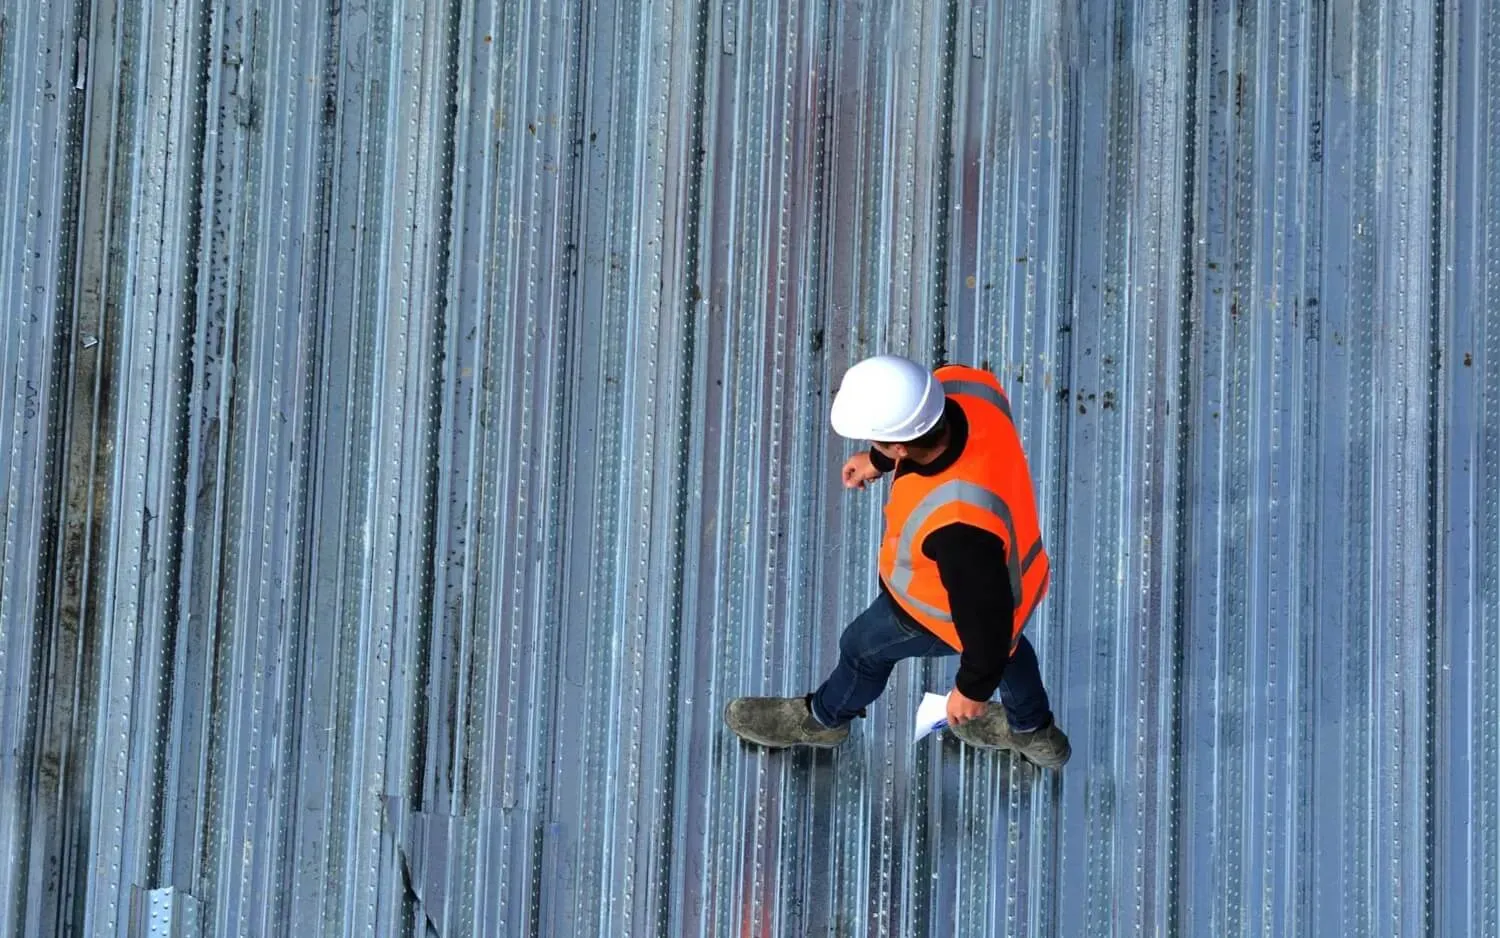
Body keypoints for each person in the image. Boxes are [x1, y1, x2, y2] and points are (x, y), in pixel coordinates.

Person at [723, 354, 1070, 767]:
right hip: (1020, 572)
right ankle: (1035, 733)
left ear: (902, 444)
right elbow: (927, 427)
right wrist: (879, 460)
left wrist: (972, 690)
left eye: (879, 443)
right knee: (1010, 646)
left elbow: (986, 622)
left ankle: (823, 720)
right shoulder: (967, 385)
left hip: (932, 610)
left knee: (861, 649)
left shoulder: (958, 527)